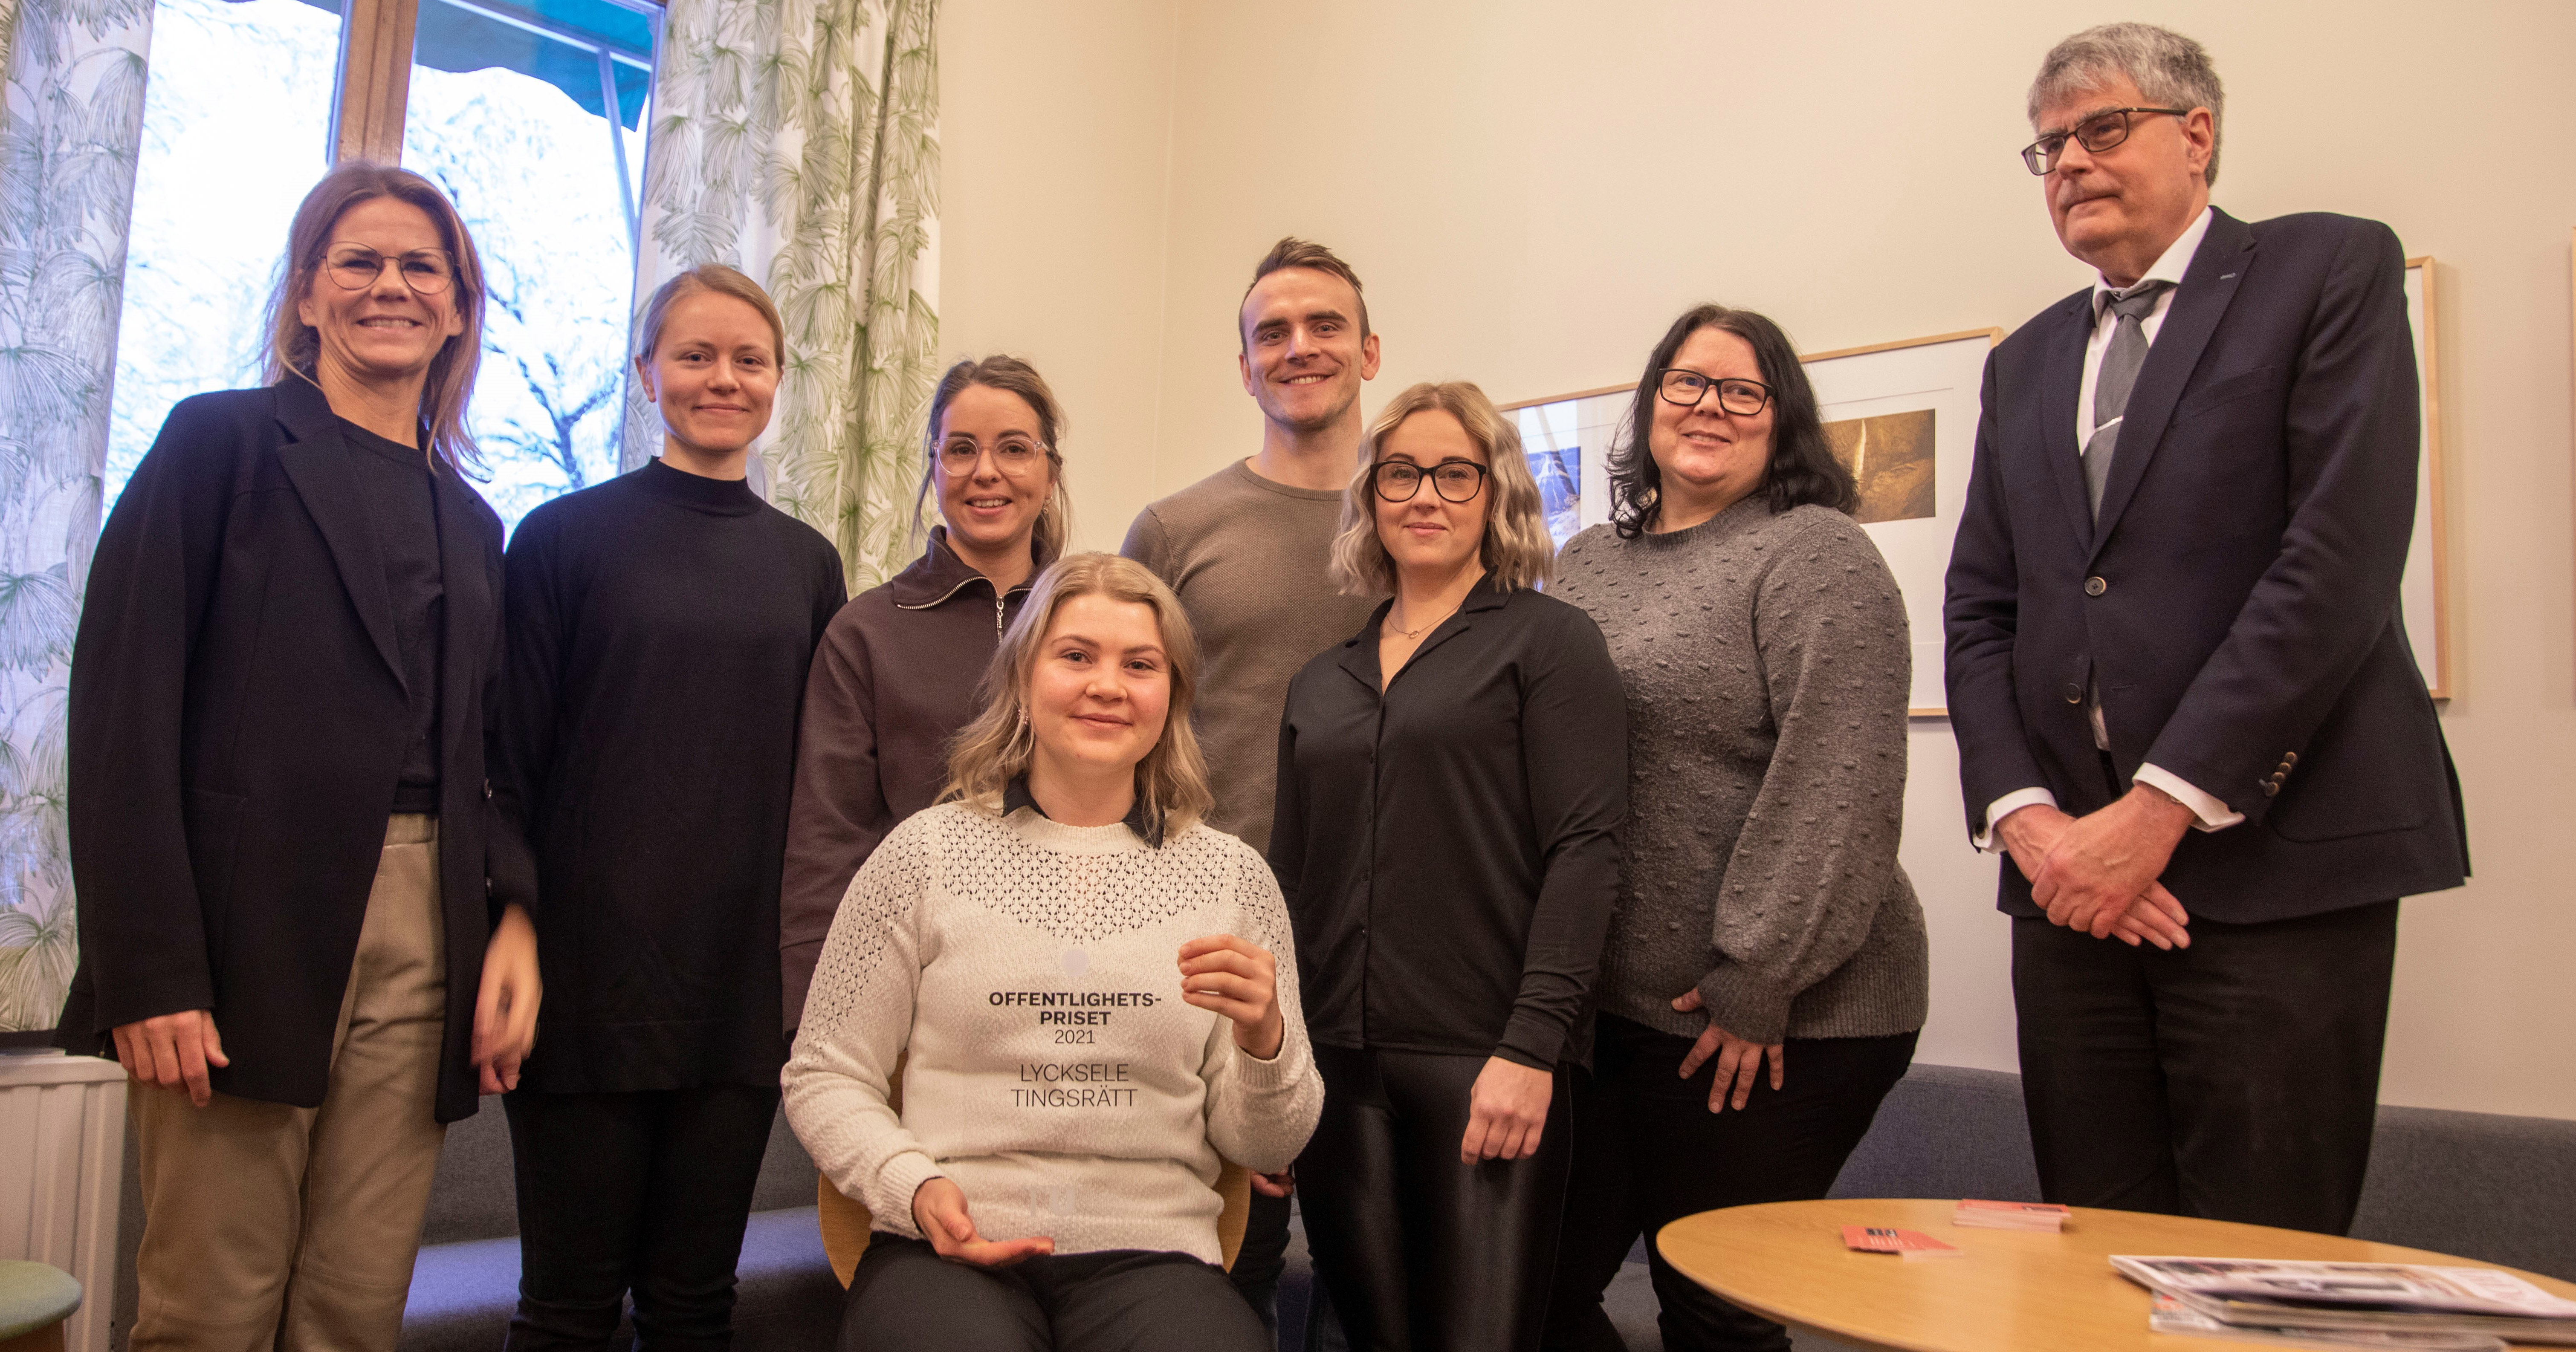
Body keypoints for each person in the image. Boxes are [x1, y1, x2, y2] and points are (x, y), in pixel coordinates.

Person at [1943, 22, 2468, 1235]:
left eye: (2100, 128)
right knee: (2091, 1247)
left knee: (2255, 1264)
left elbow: (2333, 564)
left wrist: (2158, 812)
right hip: (2069, 887)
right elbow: (1981, 607)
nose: (2068, 161)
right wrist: (2036, 828)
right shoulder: (2024, 361)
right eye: (2049, 145)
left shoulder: (2323, 271)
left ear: (2198, 134)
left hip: (2272, 865)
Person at [57, 162, 539, 1352]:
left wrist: (515, 916)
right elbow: (121, 714)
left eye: (421, 266)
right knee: (208, 1308)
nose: (391, 285)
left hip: (428, 926)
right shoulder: (216, 444)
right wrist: (151, 967)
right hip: (235, 929)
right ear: (309, 295)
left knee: (353, 1308)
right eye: (358, 261)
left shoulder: (475, 522)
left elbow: (485, 753)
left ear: (460, 307)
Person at [783, 552, 1323, 1352]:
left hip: (1156, 1257)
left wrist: (1265, 1043)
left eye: (1139, 665)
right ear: (1022, 680)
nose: (1107, 686)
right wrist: (912, 1184)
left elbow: (1267, 1147)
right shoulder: (921, 856)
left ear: (1170, 696)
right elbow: (825, 1073)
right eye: (1076, 656)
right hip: (946, 1248)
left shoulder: (1232, 878)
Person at [1544, 306, 1930, 1352]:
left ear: (1781, 418)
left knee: (1713, 1306)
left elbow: (1840, 780)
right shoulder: (1585, 562)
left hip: (1787, 1013)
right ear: (1651, 401)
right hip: (1621, 1008)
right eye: (1686, 382)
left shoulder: (1815, 554)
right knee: (1532, 1288)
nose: (1709, 405)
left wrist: (1759, 975)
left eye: (1742, 389)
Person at [489, 266, 846, 1349]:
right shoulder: (558, 541)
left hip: (735, 996)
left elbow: (825, 785)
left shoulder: (807, 564)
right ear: (647, 373)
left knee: (695, 1306)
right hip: (583, 988)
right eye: (695, 355)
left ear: (778, 381)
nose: (722, 378)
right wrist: (513, 924)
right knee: (567, 1310)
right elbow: (507, 761)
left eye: (749, 359)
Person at [1272, 381, 1626, 1352]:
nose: (1425, 494)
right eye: (1401, 473)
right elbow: (1290, 883)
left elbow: (1586, 853)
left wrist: (1532, 1048)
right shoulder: (1322, 679)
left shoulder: (1551, 645)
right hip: (1337, 1065)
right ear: (1371, 498)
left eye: (1454, 473)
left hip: (1487, 1057)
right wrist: (1271, 1073)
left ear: (1496, 494)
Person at [1119, 236, 1383, 1332]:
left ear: (1370, 351)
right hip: (1212, 941)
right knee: (1231, 1257)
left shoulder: (1424, 518)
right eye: (1272, 332)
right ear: (1243, 366)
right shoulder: (1178, 528)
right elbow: (1114, 726)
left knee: (1378, 1264)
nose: (1299, 347)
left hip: (1386, 945)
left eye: (1324, 326)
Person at [781, 355, 1072, 1031]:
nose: (987, 471)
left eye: (1014, 449)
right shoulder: (867, 632)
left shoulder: (1094, 623)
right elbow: (828, 837)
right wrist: (821, 1016)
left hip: (1067, 983)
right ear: (933, 466)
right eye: (961, 449)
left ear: (1050, 473)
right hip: (908, 994)